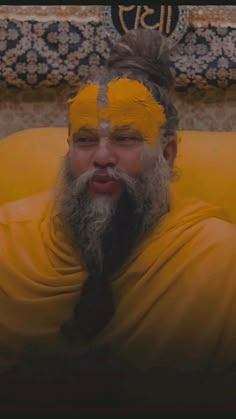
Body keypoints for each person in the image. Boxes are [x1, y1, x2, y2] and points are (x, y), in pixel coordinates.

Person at [1, 28, 236, 410]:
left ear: (168, 154)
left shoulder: (221, 260)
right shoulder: (8, 242)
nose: (102, 157)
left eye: (125, 139)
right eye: (86, 140)